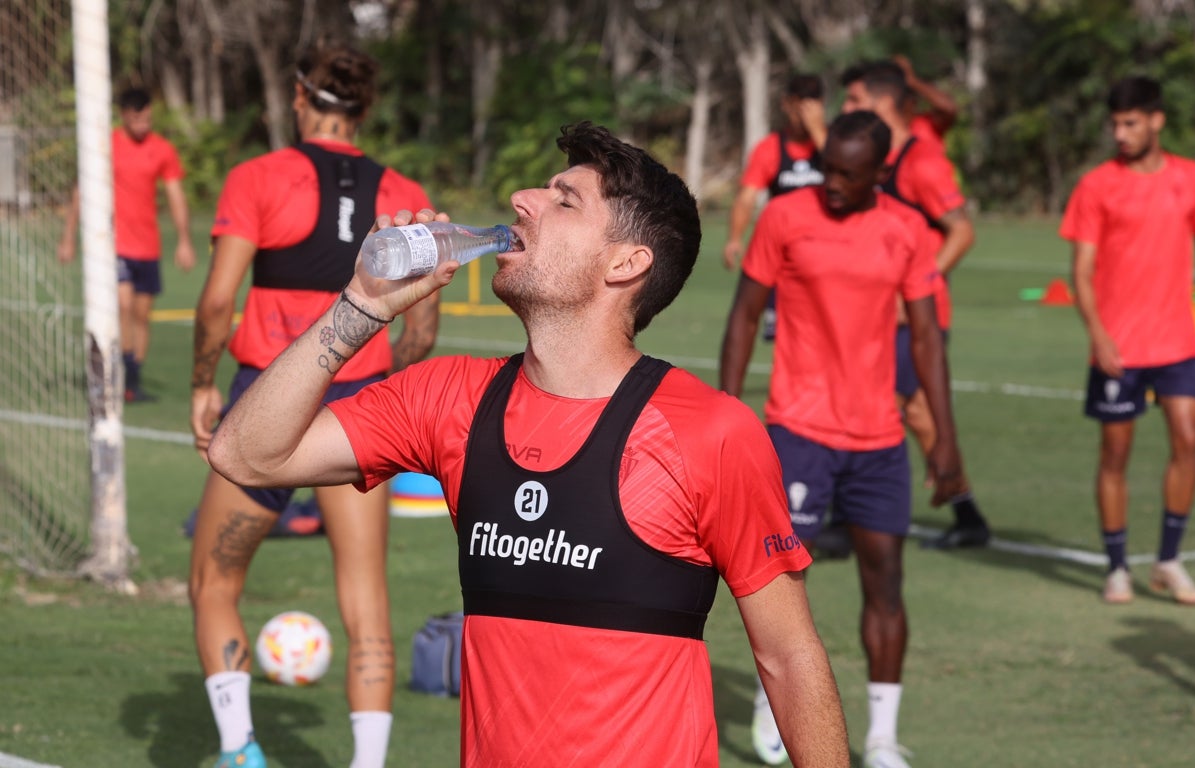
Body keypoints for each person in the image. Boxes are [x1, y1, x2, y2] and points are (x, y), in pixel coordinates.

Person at [206, 121, 851, 768]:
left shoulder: (710, 430)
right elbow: (246, 455)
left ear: (625, 263)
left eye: (564, 200)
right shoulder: (447, 397)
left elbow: (789, 657)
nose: (522, 199)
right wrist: (361, 306)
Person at [187, 40, 439, 768]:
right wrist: (379, 379)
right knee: (366, 598)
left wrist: (203, 382)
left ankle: (240, 750)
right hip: (359, 408)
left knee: (214, 580)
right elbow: (422, 330)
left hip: (266, 397)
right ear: (365, 109)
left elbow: (216, 303)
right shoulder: (403, 192)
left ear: (299, 96)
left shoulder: (259, 177)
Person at [721, 110, 966, 768]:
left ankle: (882, 738)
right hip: (798, 430)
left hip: (879, 438)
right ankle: (773, 700)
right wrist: (728, 411)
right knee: (781, 581)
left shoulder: (906, 230)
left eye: (847, 175)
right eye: (827, 168)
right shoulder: (784, 217)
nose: (831, 183)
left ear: (879, 173)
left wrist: (944, 440)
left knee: (885, 581)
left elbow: (927, 338)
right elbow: (744, 314)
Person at [1060, 75, 1195, 606]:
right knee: (1115, 454)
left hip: (1178, 342)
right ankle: (1117, 567)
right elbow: (1081, 271)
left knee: (1188, 440)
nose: (1121, 134)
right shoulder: (1096, 185)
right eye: (1115, 124)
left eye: (1131, 123)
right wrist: (1098, 334)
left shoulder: (1194, 179)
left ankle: (1168, 561)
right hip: (1119, 348)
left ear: (1156, 121)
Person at [834, 59, 991, 552]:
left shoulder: (922, 161)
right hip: (877, 312)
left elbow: (962, 231)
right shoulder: (875, 159)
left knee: (890, 406)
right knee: (914, 411)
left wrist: (915, 288)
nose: (846, 108)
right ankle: (964, 511)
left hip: (914, 316)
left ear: (884, 104)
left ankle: (847, 515)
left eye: (855, 99)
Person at [57, 86, 196, 402]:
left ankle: (133, 381)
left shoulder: (162, 150)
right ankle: (118, 374)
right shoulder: (106, 145)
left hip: (148, 247)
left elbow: (175, 196)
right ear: (123, 116)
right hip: (115, 245)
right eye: (136, 120)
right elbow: (81, 190)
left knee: (142, 316)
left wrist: (184, 240)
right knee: (123, 305)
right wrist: (68, 236)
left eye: (147, 119)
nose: (143, 125)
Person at [723, 73, 827, 341]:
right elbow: (747, 197)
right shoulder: (770, 149)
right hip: (785, 262)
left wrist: (818, 132)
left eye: (811, 106)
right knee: (784, 335)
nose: (803, 115)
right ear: (786, 104)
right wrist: (734, 238)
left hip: (827, 256)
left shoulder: (835, 144)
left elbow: (846, 172)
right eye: (799, 106)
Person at [891, 55, 958, 158]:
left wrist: (912, 81)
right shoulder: (881, 128)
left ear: (912, 102)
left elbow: (948, 108)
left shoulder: (926, 125)